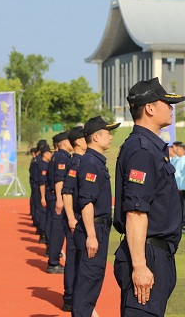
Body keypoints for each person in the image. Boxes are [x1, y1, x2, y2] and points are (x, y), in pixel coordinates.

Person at [113, 77, 185, 317]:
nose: (171, 107)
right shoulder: (143, 150)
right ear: (150, 108)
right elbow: (135, 211)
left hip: (155, 253)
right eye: (166, 102)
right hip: (147, 254)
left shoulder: (149, 147)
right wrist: (140, 265)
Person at [71, 116, 120, 317]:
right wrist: (91, 235)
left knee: (94, 277)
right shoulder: (91, 162)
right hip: (94, 229)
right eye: (108, 133)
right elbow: (86, 202)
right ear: (96, 137)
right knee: (88, 279)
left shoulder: (96, 161)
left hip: (99, 228)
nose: (110, 136)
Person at [59, 126, 87, 312]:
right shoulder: (75, 163)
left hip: (78, 216)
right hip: (74, 217)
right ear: (78, 141)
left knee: (78, 257)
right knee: (74, 256)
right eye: (85, 137)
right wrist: (70, 217)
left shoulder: (81, 161)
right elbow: (67, 190)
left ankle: (74, 294)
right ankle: (70, 297)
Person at [45, 131, 72, 274]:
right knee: (58, 230)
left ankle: (53, 258)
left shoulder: (58, 156)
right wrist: (60, 201)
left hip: (54, 196)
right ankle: (53, 262)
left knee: (57, 229)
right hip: (57, 197)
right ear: (63, 143)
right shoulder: (62, 156)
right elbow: (59, 180)